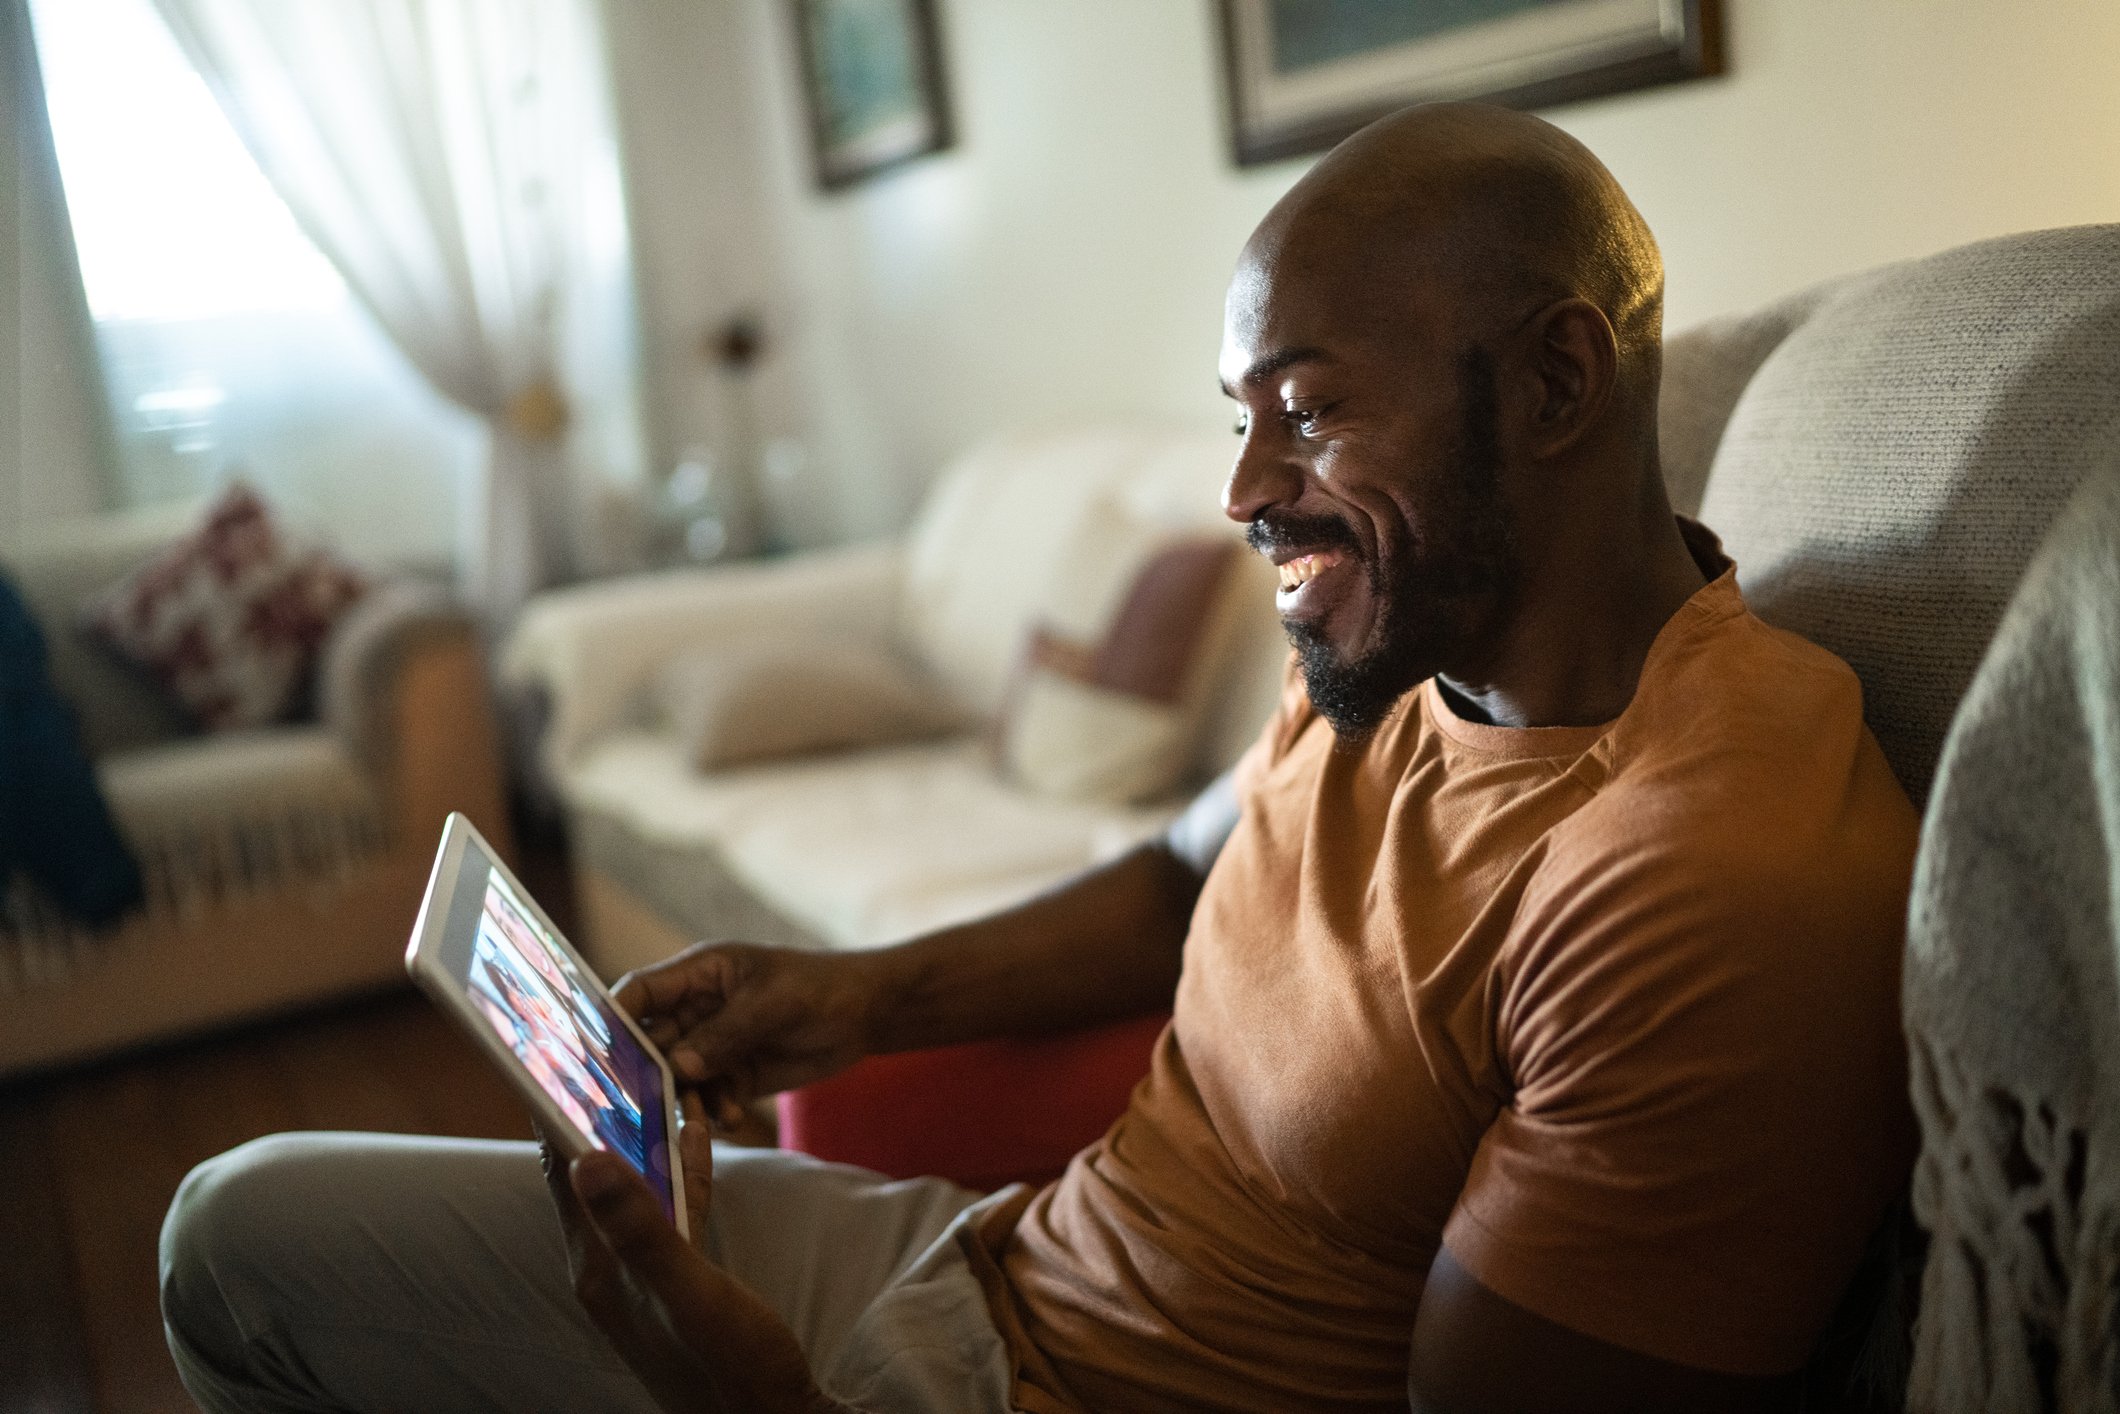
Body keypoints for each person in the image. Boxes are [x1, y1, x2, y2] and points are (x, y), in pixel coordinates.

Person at [158, 102, 1919, 1413]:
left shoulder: (1697, 868)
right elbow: (1184, 874)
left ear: (1553, 389)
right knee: (236, 1226)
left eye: (1304, 408)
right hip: (988, 1263)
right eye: (1240, 418)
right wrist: (855, 999)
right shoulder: (1403, 654)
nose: (1242, 492)